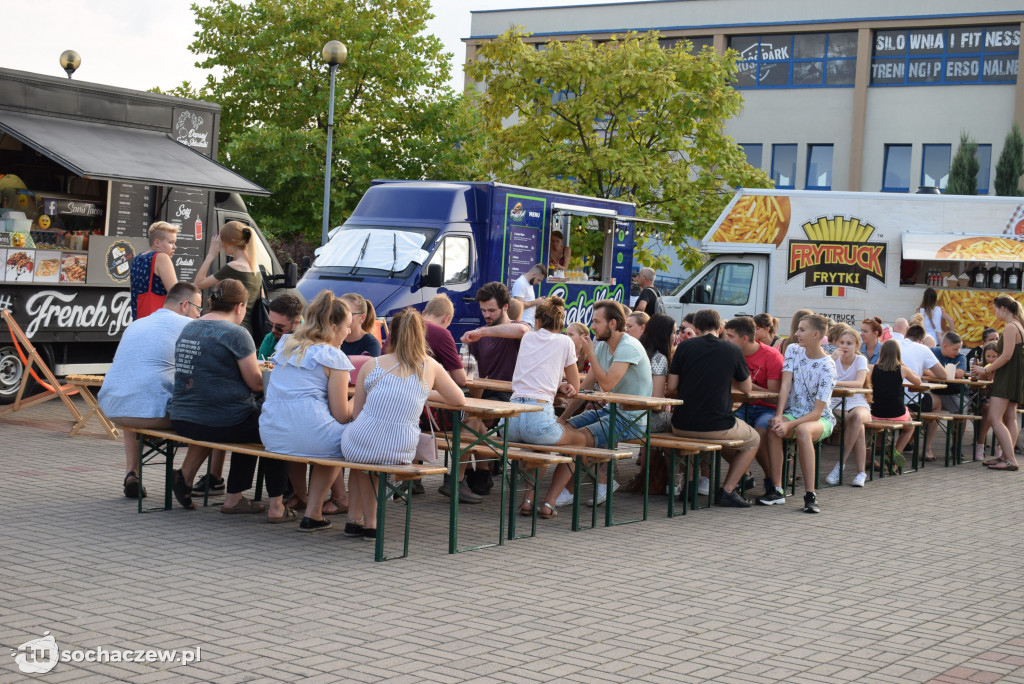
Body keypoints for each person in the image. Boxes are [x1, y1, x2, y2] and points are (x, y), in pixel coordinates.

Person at [168, 279, 291, 522]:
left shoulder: (189, 328)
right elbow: (256, 383)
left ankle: (191, 478)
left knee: (252, 422)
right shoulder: (237, 333)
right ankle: (274, 505)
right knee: (275, 428)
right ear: (240, 306)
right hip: (223, 421)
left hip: (182, 417)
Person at [341, 308, 466, 540]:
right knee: (370, 460)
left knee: (361, 458)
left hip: (361, 439)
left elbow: (357, 414)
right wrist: (424, 392)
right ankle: (363, 521)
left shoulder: (373, 364)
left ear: (392, 335)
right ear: (421, 336)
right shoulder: (431, 367)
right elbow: (459, 399)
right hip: (401, 445)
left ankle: (361, 519)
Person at [258, 291, 355, 532]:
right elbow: (342, 415)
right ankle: (314, 512)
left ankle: (304, 500)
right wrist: (362, 398)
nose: (349, 332)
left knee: (310, 435)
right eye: (347, 326)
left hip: (272, 433)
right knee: (344, 442)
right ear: (333, 326)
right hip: (306, 434)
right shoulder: (333, 356)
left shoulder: (285, 344)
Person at [99, 283, 202, 498]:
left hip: (114, 409)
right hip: (150, 415)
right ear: (185, 305)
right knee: (212, 419)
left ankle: (131, 473)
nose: (199, 314)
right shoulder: (189, 326)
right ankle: (188, 477)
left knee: (136, 399)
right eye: (198, 308)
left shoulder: (137, 324)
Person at [554, 300, 653, 507]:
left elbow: (607, 385)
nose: (592, 327)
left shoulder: (629, 346)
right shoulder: (602, 347)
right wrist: (563, 418)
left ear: (613, 324)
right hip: (610, 411)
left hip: (633, 418)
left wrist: (590, 352)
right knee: (564, 430)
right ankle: (600, 482)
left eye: (597, 322)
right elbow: (584, 388)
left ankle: (573, 490)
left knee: (577, 439)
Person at [666, 309, 758, 508]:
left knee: (692, 439)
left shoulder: (684, 348)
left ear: (696, 328)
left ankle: (690, 486)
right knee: (754, 440)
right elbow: (746, 388)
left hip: (681, 424)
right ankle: (728, 490)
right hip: (717, 425)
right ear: (721, 328)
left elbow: (672, 387)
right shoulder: (732, 350)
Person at [504, 297, 582, 519]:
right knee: (580, 442)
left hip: (511, 420)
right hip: (538, 417)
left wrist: (557, 383)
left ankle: (528, 500)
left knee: (543, 448)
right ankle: (549, 502)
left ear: (537, 321)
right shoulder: (566, 342)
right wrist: (564, 386)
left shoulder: (528, 337)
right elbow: (575, 386)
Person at [458, 281, 531, 498]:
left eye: (491, 310)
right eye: (483, 310)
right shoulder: (478, 338)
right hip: (482, 394)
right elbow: (472, 371)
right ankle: (477, 473)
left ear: (505, 307)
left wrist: (482, 331)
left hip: (509, 395)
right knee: (464, 417)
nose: (487, 315)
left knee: (474, 420)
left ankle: (463, 477)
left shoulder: (519, 327)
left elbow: (521, 329)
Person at [760, 313, 836, 513]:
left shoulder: (828, 366)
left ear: (816, 334)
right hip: (794, 412)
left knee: (803, 430)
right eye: (798, 328)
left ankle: (810, 494)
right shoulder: (793, 350)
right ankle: (777, 489)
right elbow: (785, 385)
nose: (796, 333)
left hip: (820, 419)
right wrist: (779, 416)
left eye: (802, 330)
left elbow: (818, 412)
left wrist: (789, 424)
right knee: (773, 426)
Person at [722, 316, 783, 498]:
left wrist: (744, 383)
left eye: (731, 336)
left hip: (768, 408)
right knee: (721, 433)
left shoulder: (771, 356)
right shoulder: (731, 353)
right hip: (744, 406)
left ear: (745, 339)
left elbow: (774, 396)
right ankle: (745, 474)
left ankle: (771, 479)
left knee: (759, 434)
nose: (726, 340)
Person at [975, 295, 1024, 471]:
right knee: (1010, 417)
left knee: (995, 418)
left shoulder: (1011, 327)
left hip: (1007, 377)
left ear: (1003, 309)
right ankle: (1005, 456)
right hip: (1016, 377)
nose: (994, 313)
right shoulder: (1019, 325)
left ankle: (1010, 459)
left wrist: (986, 369)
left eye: (995, 309)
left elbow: (1006, 355)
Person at [194, 220, 262, 340]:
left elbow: (198, 284)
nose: (221, 245)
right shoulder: (255, 267)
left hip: (231, 330)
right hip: (248, 330)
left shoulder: (234, 266)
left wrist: (210, 255)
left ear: (229, 242)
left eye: (222, 241)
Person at [825, 327, 870, 487]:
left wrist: (836, 382)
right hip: (837, 402)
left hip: (858, 401)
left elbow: (859, 383)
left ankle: (840, 465)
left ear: (857, 346)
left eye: (849, 343)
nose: (845, 346)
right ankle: (861, 473)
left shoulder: (860, 360)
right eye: (842, 342)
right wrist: (830, 359)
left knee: (857, 418)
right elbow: (823, 377)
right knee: (859, 428)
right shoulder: (833, 359)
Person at [869, 339, 922, 470]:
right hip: (896, 412)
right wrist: (905, 366)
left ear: (881, 353)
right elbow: (918, 382)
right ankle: (895, 455)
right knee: (909, 428)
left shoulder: (872, 369)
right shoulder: (902, 370)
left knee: (878, 429)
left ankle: (882, 452)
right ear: (898, 353)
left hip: (876, 412)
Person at [923, 331, 968, 462]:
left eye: (959, 348)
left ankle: (956, 446)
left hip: (953, 392)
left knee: (961, 412)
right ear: (945, 347)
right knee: (921, 410)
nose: (958, 351)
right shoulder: (931, 352)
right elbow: (922, 370)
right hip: (934, 391)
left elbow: (959, 373)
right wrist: (944, 373)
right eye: (955, 349)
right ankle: (924, 446)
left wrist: (934, 372)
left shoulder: (961, 357)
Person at [129, 221, 179, 320]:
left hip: (138, 322)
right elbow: (176, 294)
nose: (175, 247)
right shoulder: (161, 257)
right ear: (157, 243)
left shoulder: (137, 259)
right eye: (170, 242)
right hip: (159, 322)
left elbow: (132, 290)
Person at [899, 325, 947, 416]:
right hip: (911, 402)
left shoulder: (894, 344)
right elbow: (943, 375)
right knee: (937, 401)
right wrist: (927, 372)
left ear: (905, 336)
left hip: (890, 399)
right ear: (921, 341)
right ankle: (924, 429)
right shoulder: (923, 348)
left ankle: (917, 427)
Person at [422, 294, 467, 386]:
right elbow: (461, 380)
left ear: (423, 313)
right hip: (417, 392)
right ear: (447, 318)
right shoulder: (441, 334)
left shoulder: (401, 327)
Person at [971, 342, 999, 461]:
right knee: (988, 408)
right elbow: (973, 388)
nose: (991, 359)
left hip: (997, 399)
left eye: (994, 357)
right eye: (988, 356)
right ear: (984, 356)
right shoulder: (979, 366)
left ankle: (1000, 446)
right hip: (980, 399)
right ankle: (980, 445)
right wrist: (982, 374)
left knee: (1002, 410)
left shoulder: (1002, 369)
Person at [257, 294, 304, 360]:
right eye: (270, 324)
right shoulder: (269, 339)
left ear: (296, 324)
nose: (273, 330)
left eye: (279, 327)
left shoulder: (311, 341)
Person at [339, 293, 382, 357]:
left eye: (350, 314)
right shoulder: (335, 340)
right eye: (339, 313)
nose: (342, 317)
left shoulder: (371, 344)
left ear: (362, 318)